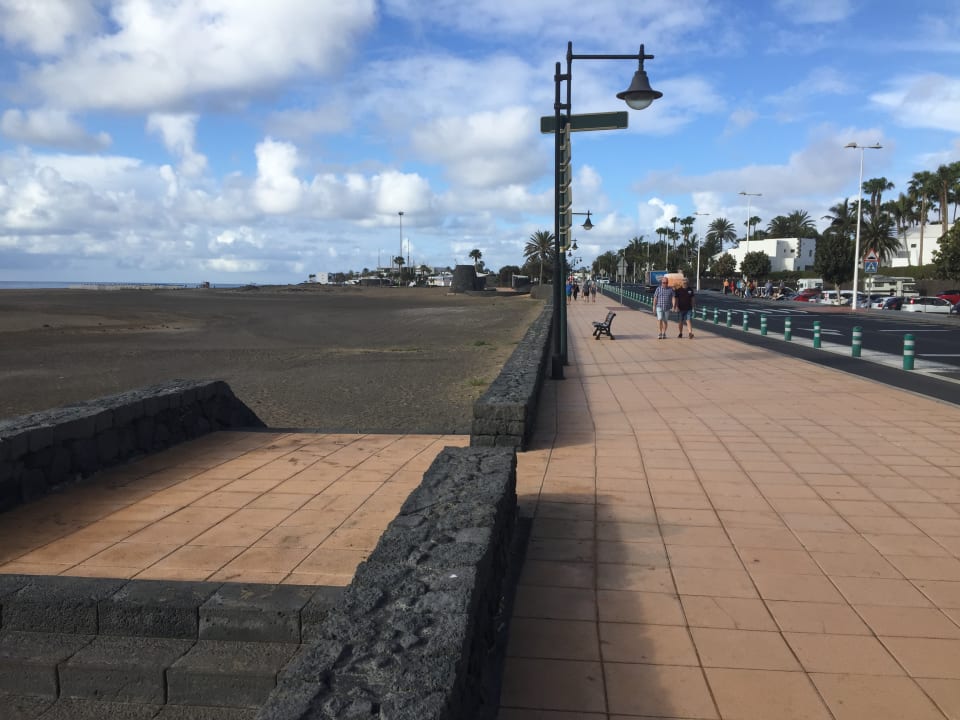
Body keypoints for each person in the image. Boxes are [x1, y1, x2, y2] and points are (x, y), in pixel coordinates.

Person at [652, 276, 675, 340]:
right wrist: (654, 307)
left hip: (667, 307)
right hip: (659, 307)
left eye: (666, 283)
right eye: (664, 283)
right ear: (661, 283)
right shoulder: (658, 289)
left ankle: (664, 333)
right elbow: (655, 298)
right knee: (660, 319)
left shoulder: (670, 289)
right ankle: (660, 332)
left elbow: (673, 297)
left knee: (665, 321)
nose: (665, 284)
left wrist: (673, 306)